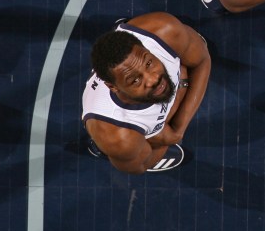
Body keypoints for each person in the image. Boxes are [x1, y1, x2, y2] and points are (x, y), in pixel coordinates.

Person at [82, 12, 211, 174]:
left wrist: (177, 129)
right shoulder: (120, 138)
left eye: (149, 62)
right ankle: (101, 146)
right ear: (113, 87)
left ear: (145, 47)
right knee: (126, 151)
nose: (153, 79)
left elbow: (202, 60)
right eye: (135, 80)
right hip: (123, 133)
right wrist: (159, 136)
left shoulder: (163, 31)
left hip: (140, 126)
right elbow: (142, 166)